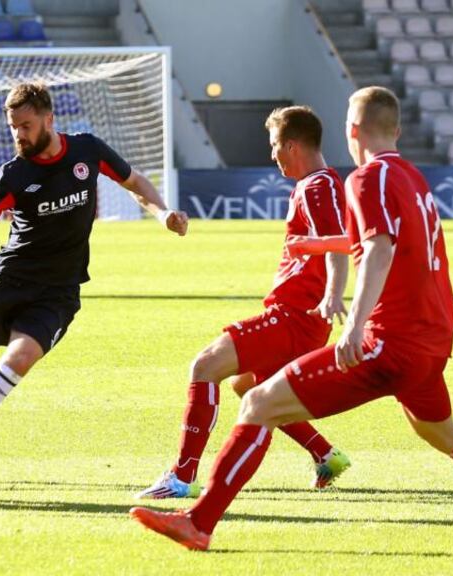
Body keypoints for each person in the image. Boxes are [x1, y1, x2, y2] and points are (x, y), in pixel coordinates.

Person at [130, 87, 453, 550]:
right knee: (442, 431)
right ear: (396, 130)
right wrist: (318, 247)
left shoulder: (367, 178)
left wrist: (356, 323)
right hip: (430, 343)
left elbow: (379, 248)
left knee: (258, 403)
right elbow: (376, 242)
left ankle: (197, 522)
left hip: (389, 341)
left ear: (350, 130)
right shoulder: (412, 178)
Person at [0, 82, 189, 475]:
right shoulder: (14, 174)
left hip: (58, 292)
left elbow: (134, 182)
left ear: (48, 119)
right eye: (13, 127)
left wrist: (163, 213)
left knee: (21, 357)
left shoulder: (87, 151)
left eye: (25, 126)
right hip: (7, 283)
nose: (18, 135)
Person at [135, 106, 351, 500]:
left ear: (292, 144)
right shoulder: (318, 183)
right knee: (248, 386)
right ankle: (325, 454)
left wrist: (334, 293)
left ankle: (182, 478)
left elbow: (337, 243)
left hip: (294, 317)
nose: (272, 156)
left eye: (274, 146)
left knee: (204, 366)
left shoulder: (318, 186)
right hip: (295, 315)